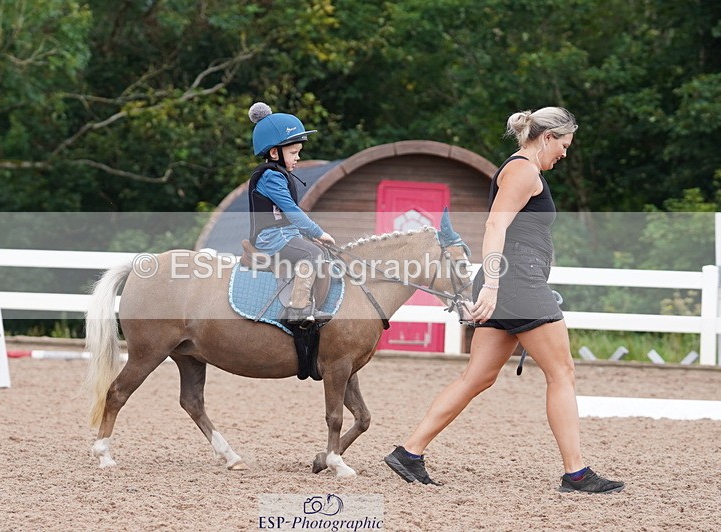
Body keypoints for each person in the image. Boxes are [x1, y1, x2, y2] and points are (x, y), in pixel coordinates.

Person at [384, 107, 625, 494]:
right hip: (517, 284)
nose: (564, 153)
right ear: (547, 137)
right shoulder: (523, 170)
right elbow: (495, 224)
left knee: (477, 376)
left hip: (513, 283)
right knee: (562, 372)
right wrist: (493, 286)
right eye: (563, 145)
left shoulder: (523, 170)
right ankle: (576, 473)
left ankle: (409, 453)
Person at [247, 102, 336, 325]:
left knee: (318, 251)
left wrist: (309, 235)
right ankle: (297, 309)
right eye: (294, 152)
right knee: (313, 254)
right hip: (271, 237)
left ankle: (312, 302)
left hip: (284, 233)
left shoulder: (278, 174)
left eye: (299, 152)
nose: (298, 157)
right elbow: (291, 211)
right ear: (275, 152)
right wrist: (318, 232)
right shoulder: (271, 176)